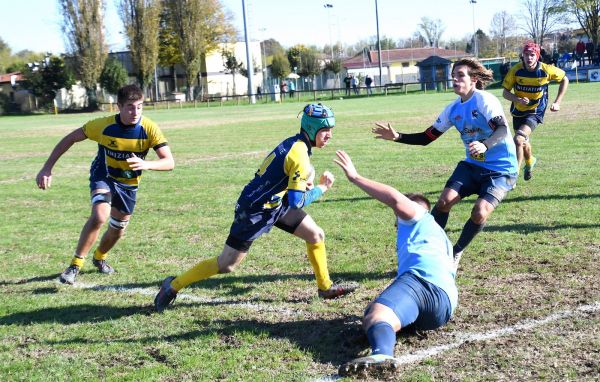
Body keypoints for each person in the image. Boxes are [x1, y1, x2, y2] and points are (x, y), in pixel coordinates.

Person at [154, 103, 358, 312]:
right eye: (325, 130)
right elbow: (298, 202)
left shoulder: (295, 143)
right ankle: (172, 285)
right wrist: (321, 188)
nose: (330, 135)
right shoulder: (299, 155)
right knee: (227, 264)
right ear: (312, 129)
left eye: (331, 130)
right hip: (254, 210)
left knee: (315, 235)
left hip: (275, 203)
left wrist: (295, 186)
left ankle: (325, 287)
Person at [372, 58, 517, 265]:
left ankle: (456, 252)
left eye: (460, 75)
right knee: (443, 202)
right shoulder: (452, 110)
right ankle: (432, 248)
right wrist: (398, 137)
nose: (455, 79)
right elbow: (427, 138)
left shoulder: (484, 100)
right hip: (473, 165)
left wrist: (485, 144)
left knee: (479, 212)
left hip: (502, 169)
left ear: (474, 79)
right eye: (453, 76)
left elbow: (502, 129)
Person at [333, 150, 458, 378]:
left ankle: (381, 355)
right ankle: (392, 331)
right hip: (443, 307)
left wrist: (355, 177)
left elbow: (394, 198)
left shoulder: (418, 217)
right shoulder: (438, 237)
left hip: (422, 284)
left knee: (374, 314)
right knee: (385, 318)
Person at [36, 84, 175, 285]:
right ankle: (75, 265)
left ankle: (99, 257)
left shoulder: (149, 128)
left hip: (128, 184)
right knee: (100, 216)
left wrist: (147, 164)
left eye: (139, 106)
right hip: (105, 176)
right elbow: (71, 138)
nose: (135, 112)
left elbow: (169, 162)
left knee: (118, 229)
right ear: (118, 106)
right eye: (129, 106)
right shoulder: (103, 125)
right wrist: (47, 168)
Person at [502, 41, 569, 181]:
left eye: (532, 55)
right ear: (523, 56)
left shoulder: (546, 70)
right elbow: (505, 92)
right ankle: (530, 161)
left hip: (536, 111)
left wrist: (557, 102)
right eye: (526, 54)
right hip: (518, 111)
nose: (529, 58)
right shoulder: (516, 70)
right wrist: (517, 99)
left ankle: (514, 175)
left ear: (537, 56)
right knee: (522, 142)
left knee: (519, 139)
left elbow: (565, 79)